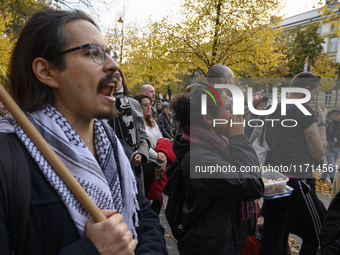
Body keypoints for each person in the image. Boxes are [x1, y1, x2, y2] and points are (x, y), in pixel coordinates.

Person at [0, 8, 167, 254]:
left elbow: (144, 218)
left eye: (109, 53)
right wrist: (92, 250)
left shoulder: (112, 147)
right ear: (47, 72)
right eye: (93, 53)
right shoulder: (7, 160)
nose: (114, 66)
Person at [169, 83, 264, 254]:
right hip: (211, 245)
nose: (234, 113)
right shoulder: (199, 158)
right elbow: (251, 185)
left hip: (223, 238)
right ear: (208, 118)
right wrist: (239, 138)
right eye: (228, 108)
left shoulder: (214, 143)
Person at [259, 72, 327, 255]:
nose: (314, 98)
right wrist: (322, 123)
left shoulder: (271, 110)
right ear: (305, 90)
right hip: (296, 181)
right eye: (314, 93)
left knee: (272, 234)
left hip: (273, 181)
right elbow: (318, 153)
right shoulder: (304, 111)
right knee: (321, 234)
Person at [108, 68, 150, 191]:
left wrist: (141, 153)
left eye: (117, 76)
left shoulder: (134, 104)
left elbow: (143, 135)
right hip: (113, 166)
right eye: (111, 76)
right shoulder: (99, 105)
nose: (115, 80)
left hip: (135, 166)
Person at [133, 94, 175, 215]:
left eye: (149, 105)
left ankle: (154, 219)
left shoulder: (152, 122)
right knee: (146, 197)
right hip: (148, 165)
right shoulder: (136, 124)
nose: (149, 107)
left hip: (159, 161)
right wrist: (159, 159)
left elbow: (161, 140)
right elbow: (143, 145)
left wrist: (163, 157)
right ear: (138, 107)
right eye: (145, 105)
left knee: (158, 197)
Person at [320, 108, 340, 183]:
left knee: (330, 165)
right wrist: (325, 141)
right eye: (333, 114)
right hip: (329, 148)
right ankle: (333, 183)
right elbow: (322, 132)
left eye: (336, 114)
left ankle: (323, 177)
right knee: (332, 166)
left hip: (338, 148)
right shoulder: (328, 123)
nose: (334, 116)